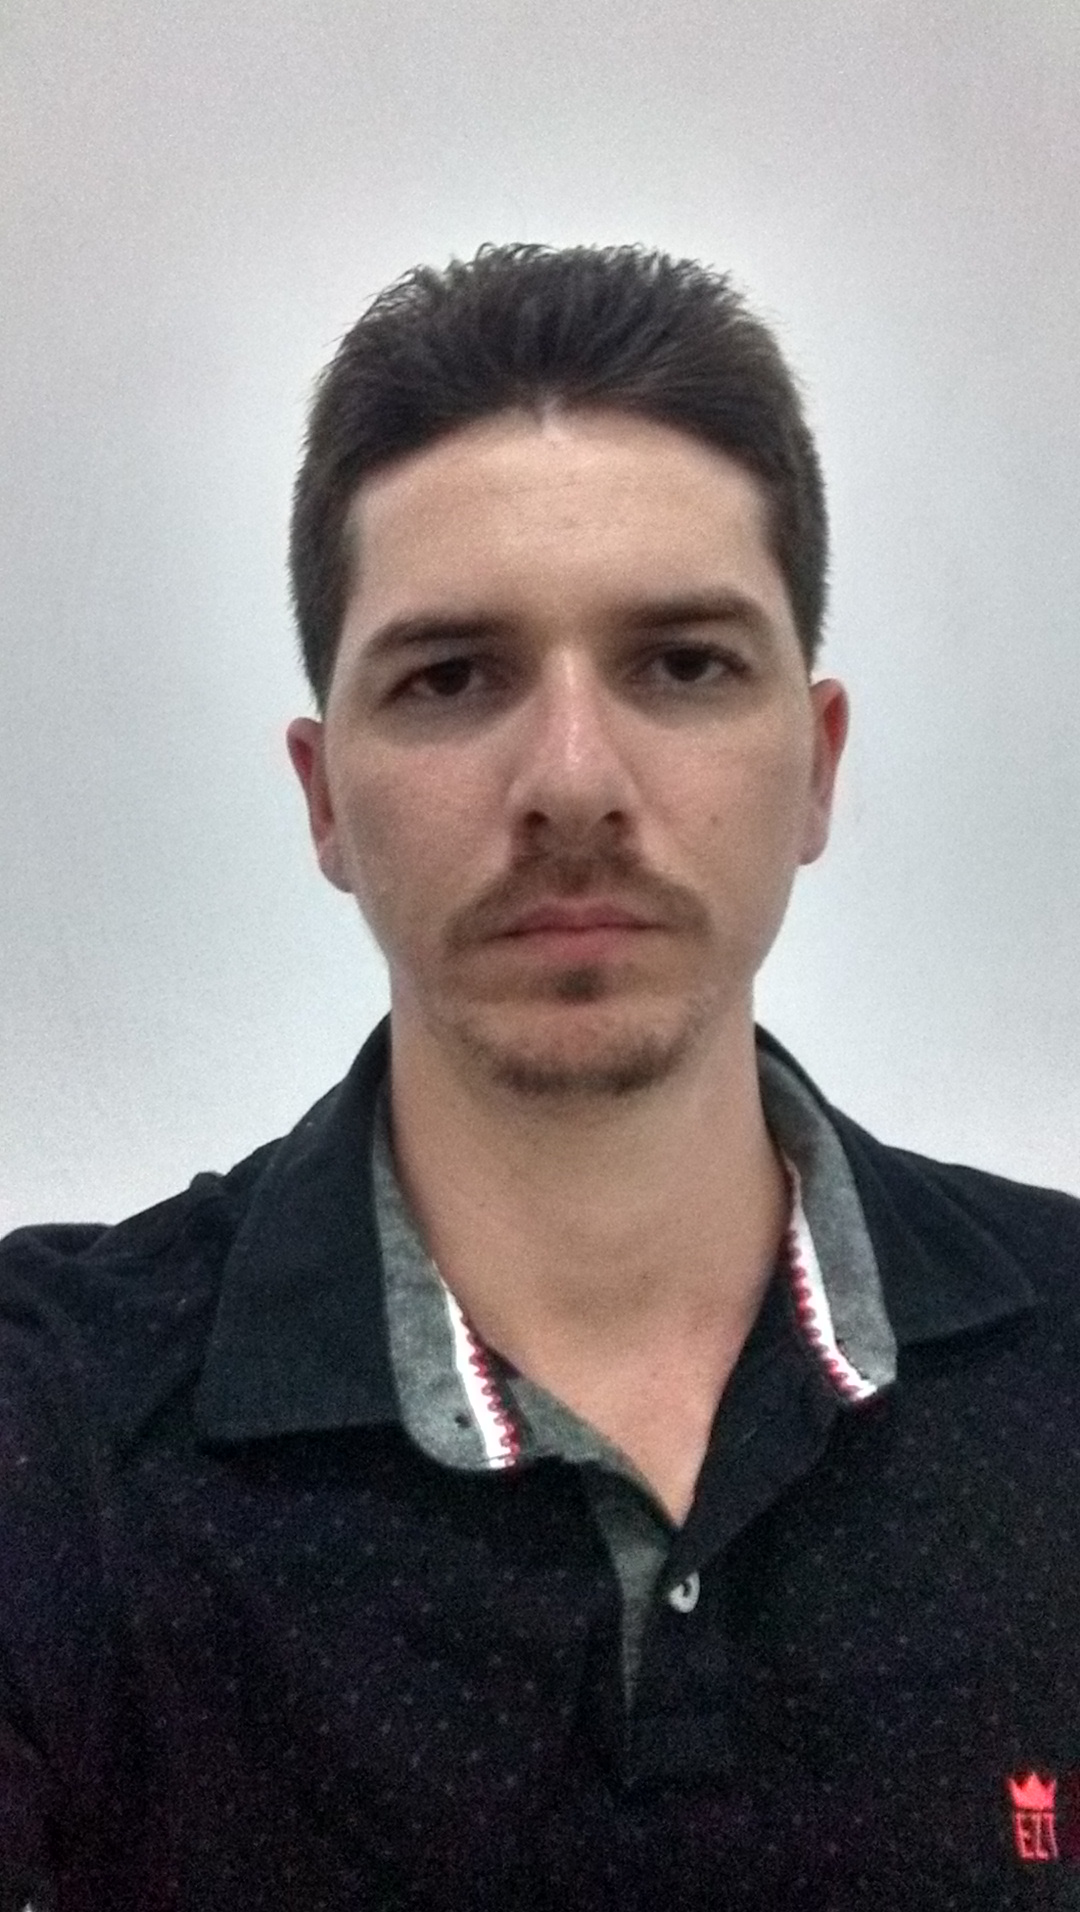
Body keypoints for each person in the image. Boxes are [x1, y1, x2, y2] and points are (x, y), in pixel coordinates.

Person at [2, 242, 1078, 1912]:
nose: (573, 781)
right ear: (324, 802)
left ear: (817, 765)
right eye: (452, 676)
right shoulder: (50, 1432)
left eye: (683, 663)